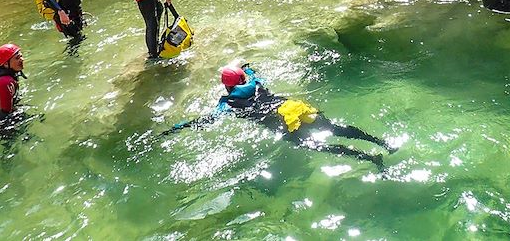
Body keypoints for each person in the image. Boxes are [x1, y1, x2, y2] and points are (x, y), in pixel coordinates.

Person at [163, 64, 395, 169]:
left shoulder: (229, 102)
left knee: (318, 145)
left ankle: (370, 159)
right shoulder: (255, 82)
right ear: (244, 78)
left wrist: (180, 127)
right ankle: (381, 143)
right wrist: (246, 66)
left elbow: (208, 120)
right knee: (335, 128)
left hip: (282, 123)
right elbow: (252, 71)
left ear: (226, 86)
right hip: (293, 107)